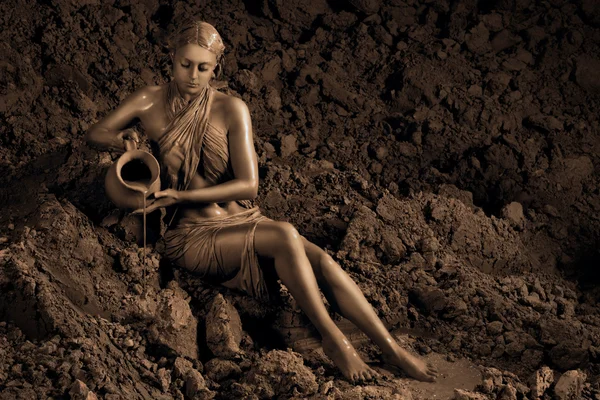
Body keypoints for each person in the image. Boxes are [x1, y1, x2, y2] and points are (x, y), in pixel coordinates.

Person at [85, 19, 437, 384]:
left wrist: (183, 193)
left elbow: (249, 185)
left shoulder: (231, 109)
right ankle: (336, 342)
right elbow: (95, 132)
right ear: (171, 59)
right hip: (190, 234)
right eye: (185, 64)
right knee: (286, 235)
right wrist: (125, 140)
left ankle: (392, 349)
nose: (192, 75)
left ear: (215, 68)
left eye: (203, 68)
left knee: (323, 261)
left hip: (242, 218)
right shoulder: (149, 99)